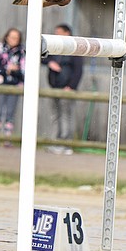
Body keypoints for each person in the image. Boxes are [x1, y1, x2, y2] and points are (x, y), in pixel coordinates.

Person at [44, 24, 83, 155]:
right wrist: (50, 62)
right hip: (54, 87)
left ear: (67, 33)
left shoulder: (74, 48)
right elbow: (43, 57)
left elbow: (78, 70)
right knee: (55, 116)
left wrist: (71, 86)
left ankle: (65, 144)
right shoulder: (55, 47)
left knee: (66, 116)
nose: (56, 35)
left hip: (66, 88)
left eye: (59, 32)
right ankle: (55, 142)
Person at [0, 28, 25, 143]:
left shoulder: (22, 51)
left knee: (10, 112)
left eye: (16, 38)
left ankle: (7, 139)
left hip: (15, 85)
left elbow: (23, 71)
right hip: (0, 83)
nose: (14, 40)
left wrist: (14, 71)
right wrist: (7, 69)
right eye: (12, 37)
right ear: (7, 37)